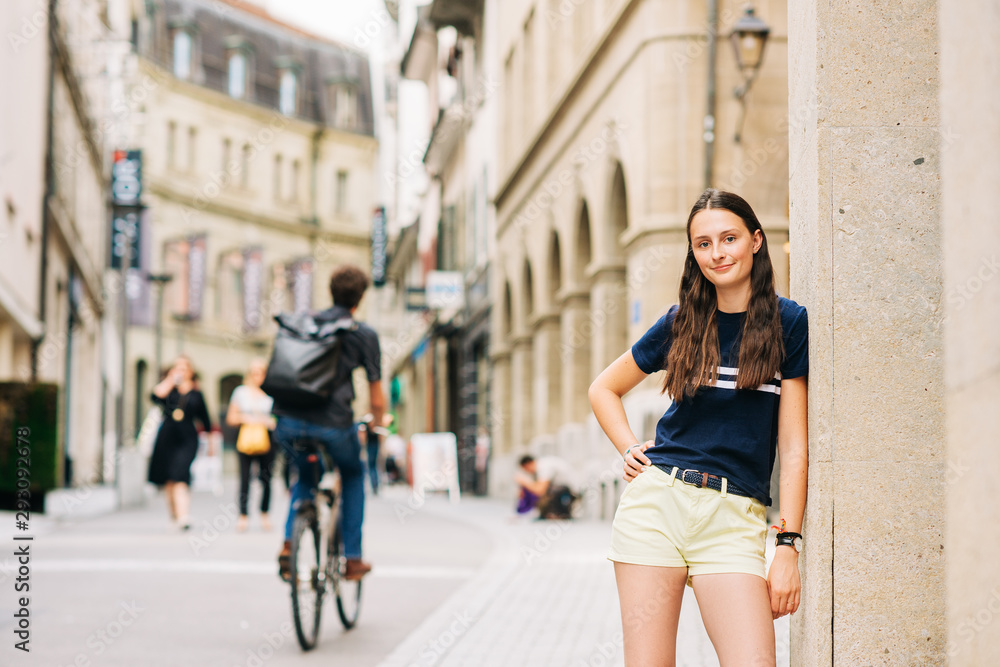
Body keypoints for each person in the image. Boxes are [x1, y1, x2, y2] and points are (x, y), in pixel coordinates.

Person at [588, 189, 808, 666]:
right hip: (656, 508)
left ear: (755, 241)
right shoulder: (682, 322)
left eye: (728, 238)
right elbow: (603, 388)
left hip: (733, 519)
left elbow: (792, 447)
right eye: (703, 244)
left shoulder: (789, 324)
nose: (717, 253)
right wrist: (629, 449)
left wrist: (787, 545)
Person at [272, 265, 384, 582]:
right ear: (359, 299)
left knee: (304, 475)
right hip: (333, 424)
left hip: (288, 419)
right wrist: (377, 422)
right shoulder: (362, 334)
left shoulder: (302, 322)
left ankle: (288, 543)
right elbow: (376, 394)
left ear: (330, 292)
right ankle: (352, 559)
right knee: (352, 474)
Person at [147, 355, 213, 530]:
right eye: (177, 368)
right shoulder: (169, 390)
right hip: (167, 437)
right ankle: (175, 514)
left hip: (187, 438)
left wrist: (211, 444)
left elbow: (206, 421)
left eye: (184, 368)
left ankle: (184, 516)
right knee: (169, 479)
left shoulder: (197, 393)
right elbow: (154, 396)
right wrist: (170, 380)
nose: (181, 371)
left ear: (191, 371)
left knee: (180, 474)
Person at [226, 358, 276, 532]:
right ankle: (243, 515)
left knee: (266, 478)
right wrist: (247, 418)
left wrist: (268, 421)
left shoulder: (272, 393)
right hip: (246, 437)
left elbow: (279, 418)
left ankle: (264, 513)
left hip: (267, 439)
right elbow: (231, 418)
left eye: (261, 372)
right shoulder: (241, 392)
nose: (258, 376)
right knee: (245, 478)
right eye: (254, 372)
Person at [514, 455, 579, 519]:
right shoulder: (541, 467)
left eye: (525, 469)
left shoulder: (543, 466)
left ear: (528, 465)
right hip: (564, 489)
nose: (527, 472)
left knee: (544, 493)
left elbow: (540, 490)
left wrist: (525, 482)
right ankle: (552, 512)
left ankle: (559, 513)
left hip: (573, 491)